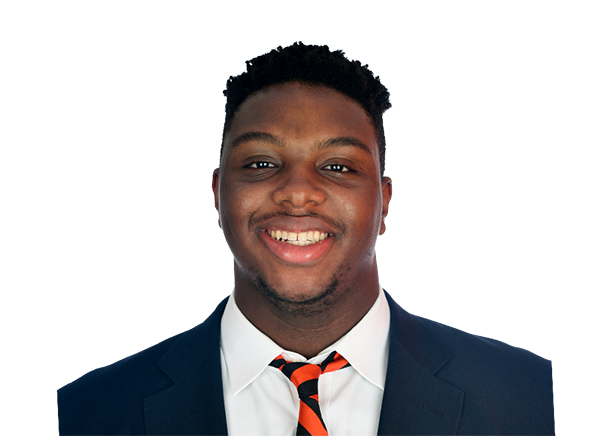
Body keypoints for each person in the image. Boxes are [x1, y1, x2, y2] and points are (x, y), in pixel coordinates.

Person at [57, 42, 555, 436]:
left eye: (338, 166)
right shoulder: (78, 416)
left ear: (383, 202)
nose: (297, 192)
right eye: (261, 163)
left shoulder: (542, 403)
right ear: (218, 194)